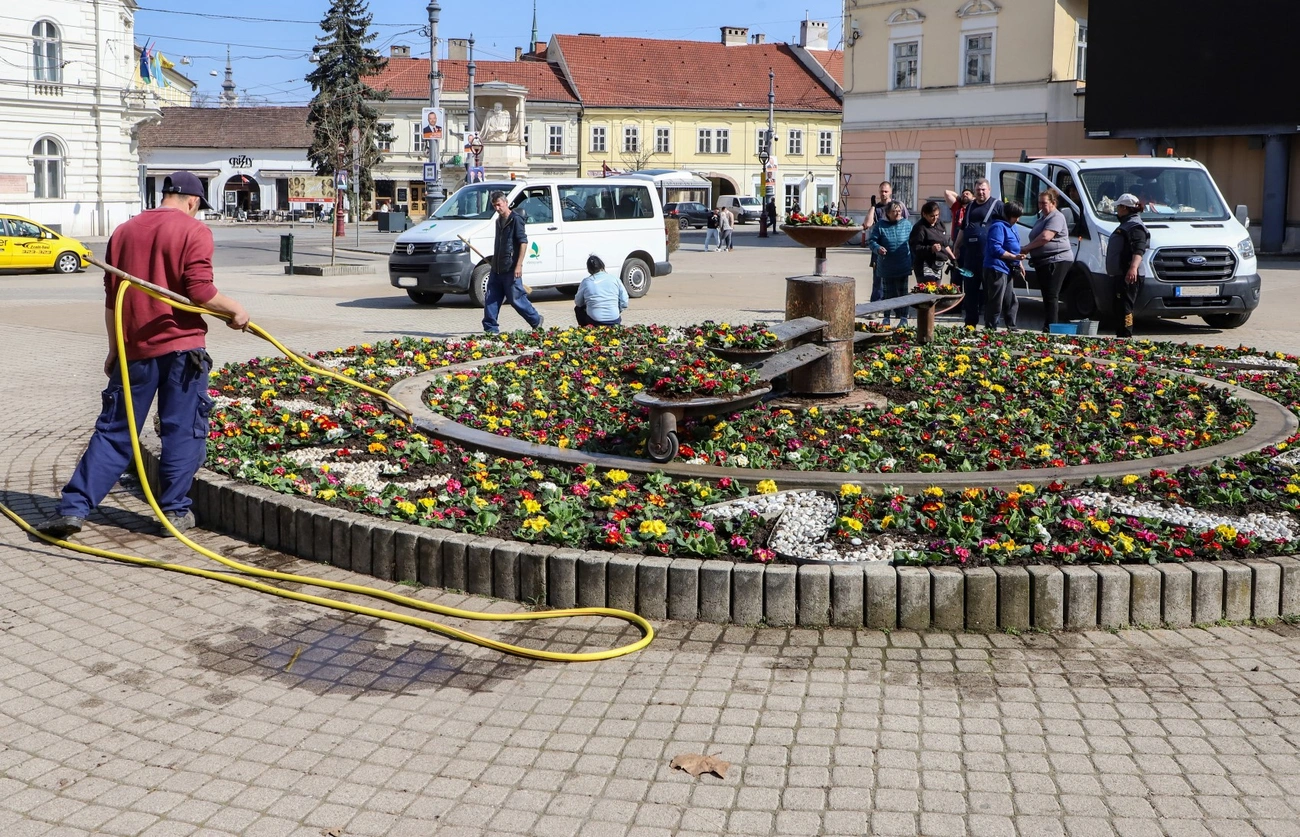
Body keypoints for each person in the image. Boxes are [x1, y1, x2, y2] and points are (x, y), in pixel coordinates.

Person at [36, 171, 251, 539]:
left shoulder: (123, 231)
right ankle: (174, 513)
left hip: (134, 350)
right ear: (193, 201)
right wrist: (236, 310)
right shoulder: (194, 230)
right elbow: (200, 290)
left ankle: (73, 509)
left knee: (114, 432)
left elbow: (112, 300)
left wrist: (114, 347)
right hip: (183, 351)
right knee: (183, 431)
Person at [482, 190, 544, 334]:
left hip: (511, 268)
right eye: (494, 206)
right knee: (491, 298)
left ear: (506, 203)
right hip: (497, 268)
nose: (497, 208)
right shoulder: (498, 221)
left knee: (516, 299)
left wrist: (518, 265)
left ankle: (535, 319)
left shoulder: (516, 219)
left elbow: (523, 242)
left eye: (499, 205)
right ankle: (490, 329)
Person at [953, 178, 1004, 327]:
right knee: (970, 292)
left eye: (983, 189)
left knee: (989, 294)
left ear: (989, 190)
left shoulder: (998, 205)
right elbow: (963, 228)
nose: (981, 192)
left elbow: (1008, 227)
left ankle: (990, 326)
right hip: (970, 258)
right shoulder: (970, 206)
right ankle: (970, 324)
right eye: (978, 190)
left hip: (988, 259)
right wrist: (956, 247)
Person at [1022, 189, 1074, 331]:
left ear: (1053, 203)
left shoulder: (1056, 217)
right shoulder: (1042, 218)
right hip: (1043, 261)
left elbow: (1046, 237)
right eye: (1039, 203)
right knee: (1046, 294)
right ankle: (1049, 325)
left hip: (1057, 259)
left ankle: (1051, 327)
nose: (1041, 206)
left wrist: (1027, 248)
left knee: (1052, 293)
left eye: (1044, 203)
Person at [1107, 193, 1149, 338]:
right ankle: (1120, 335)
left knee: (1126, 307)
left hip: (1129, 274)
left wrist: (1133, 268)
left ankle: (1126, 336)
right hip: (1121, 273)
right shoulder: (1127, 224)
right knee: (1119, 307)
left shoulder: (1135, 226)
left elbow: (1139, 249)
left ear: (1124, 208)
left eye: (1118, 206)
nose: (1117, 210)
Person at [866, 201, 913, 328]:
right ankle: (886, 318)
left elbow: (913, 243)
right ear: (887, 213)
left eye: (899, 211)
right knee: (887, 294)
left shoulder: (907, 225)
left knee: (903, 293)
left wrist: (913, 262)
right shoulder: (880, 225)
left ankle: (903, 318)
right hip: (886, 266)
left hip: (903, 264)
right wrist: (878, 248)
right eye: (894, 211)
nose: (897, 213)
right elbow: (872, 241)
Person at [981, 199, 1026, 330]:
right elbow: (995, 249)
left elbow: (1013, 247)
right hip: (996, 268)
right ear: (1008, 215)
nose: (1017, 220)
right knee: (996, 301)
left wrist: (1019, 262)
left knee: (1010, 300)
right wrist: (1014, 257)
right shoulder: (998, 227)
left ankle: (1011, 326)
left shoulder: (1012, 226)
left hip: (1008, 268)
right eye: (1015, 216)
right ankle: (990, 327)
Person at [573, 254, 628, 327]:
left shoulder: (586, 282)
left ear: (589, 269)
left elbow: (578, 303)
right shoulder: (615, 279)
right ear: (602, 265)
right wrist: (616, 309)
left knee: (578, 309)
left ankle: (585, 330)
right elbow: (624, 302)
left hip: (594, 321)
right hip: (614, 320)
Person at [909, 201, 956, 284]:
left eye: (937, 215)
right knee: (929, 290)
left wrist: (953, 259)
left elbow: (945, 244)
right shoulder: (920, 228)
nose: (935, 218)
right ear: (924, 214)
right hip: (925, 265)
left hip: (938, 265)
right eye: (932, 216)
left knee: (937, 290)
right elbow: (916, 248)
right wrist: (931, 249)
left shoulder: (940, 224)